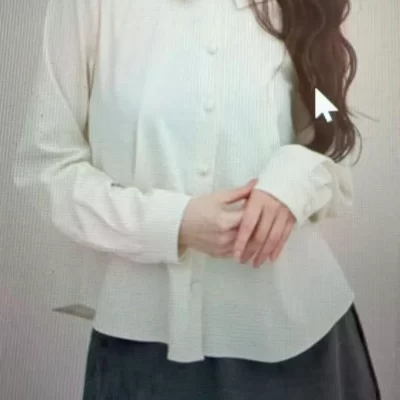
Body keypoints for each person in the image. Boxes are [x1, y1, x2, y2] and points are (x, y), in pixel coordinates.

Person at [14, 0, 381, 399]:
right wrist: (173, 224)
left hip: (301, 343)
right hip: (144, 352)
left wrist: (294, 178)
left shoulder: (297, 8)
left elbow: (330, 130)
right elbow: (48, 168)